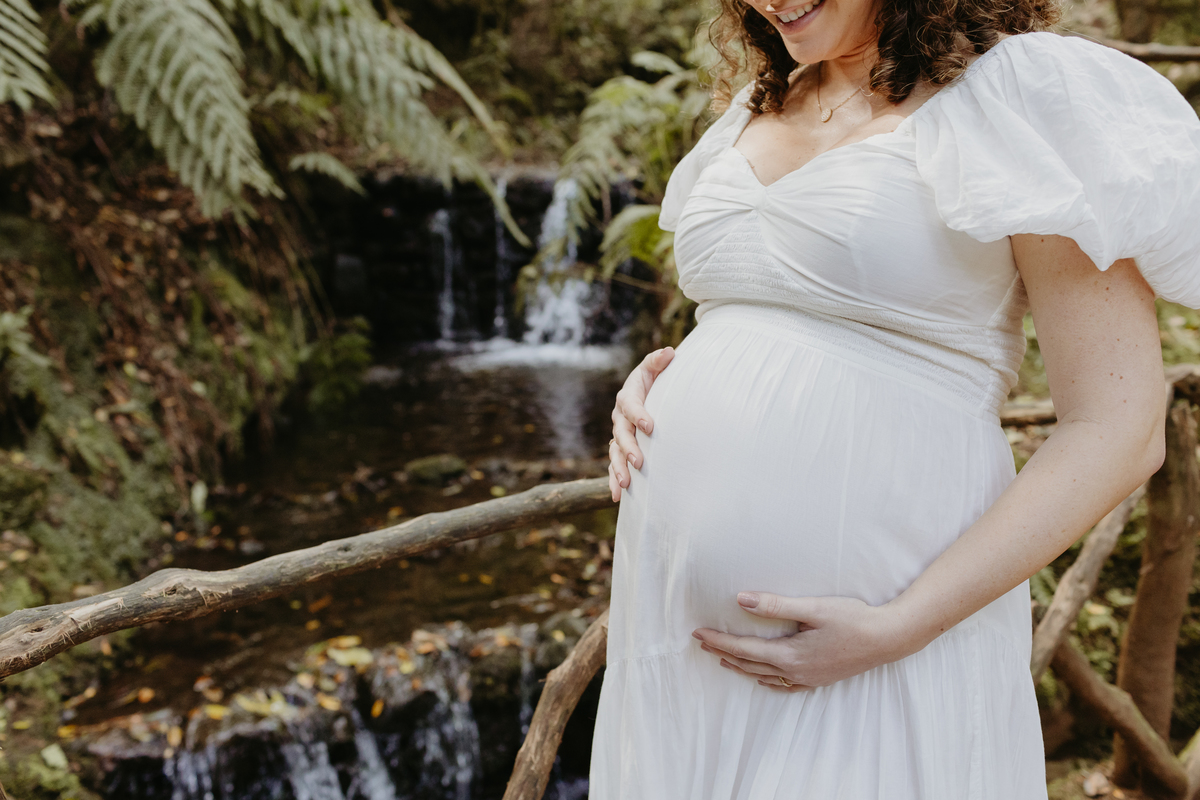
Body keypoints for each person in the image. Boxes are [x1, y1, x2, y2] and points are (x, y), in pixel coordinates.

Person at [589, 0, 1200, 794]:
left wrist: (899, 628)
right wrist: (667, 375)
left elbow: (1120, 426)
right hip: (675, 625)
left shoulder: (1016, 98)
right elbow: (758, 307)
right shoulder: (759, 101)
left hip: (888, 634)